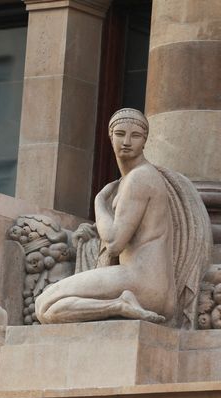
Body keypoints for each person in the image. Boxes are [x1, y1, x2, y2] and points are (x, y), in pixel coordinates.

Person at [35, 109, 211, 328]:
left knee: (44, 304)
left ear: (145, 141)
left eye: (135, 136)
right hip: (152, 288)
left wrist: (99, 202)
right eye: (120, 134)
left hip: (142, 285)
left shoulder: (139, 178)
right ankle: (118, 306)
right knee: (49, 308)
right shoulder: (137, 178)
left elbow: (115, 243)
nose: (126, 141)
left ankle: (121, 304)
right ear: (111, 138)